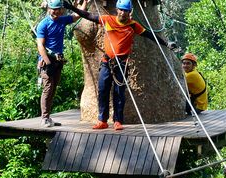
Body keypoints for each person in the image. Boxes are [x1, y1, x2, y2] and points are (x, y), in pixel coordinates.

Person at [64, 0, 177, 130]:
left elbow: (149, 35)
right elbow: (88, 16)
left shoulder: (133, 25)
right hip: (107, 63)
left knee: (119, 93)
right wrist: (71, 7)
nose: (123, 13)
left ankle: (118, 121)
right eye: (121, 10)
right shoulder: (108, 20)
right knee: (102, 91)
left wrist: (166, 44)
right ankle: (102, 121)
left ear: (130, 12)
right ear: (117, 10)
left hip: (122, 64)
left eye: (126, 11)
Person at [36, 0, 88, 127]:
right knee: (47, 89)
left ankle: (48, 117)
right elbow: (40, 46)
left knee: (53, 90)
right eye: (54, 9)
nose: (57, 12)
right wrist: (47, 64)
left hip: (57, 62)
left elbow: (78, 15)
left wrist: (85, 2)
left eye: (59, 9)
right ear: (49, 9)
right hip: (46, 61)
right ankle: (44, 118)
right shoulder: (43, 24)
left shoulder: (62, 20)